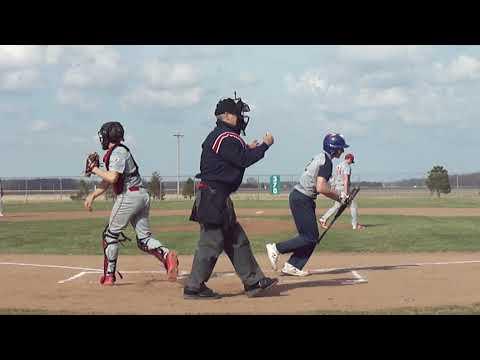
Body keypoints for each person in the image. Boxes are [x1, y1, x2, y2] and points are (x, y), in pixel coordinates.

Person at [184, 94, 278, 299]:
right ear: (226, 115)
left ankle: (253, 282)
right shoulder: (225, 137)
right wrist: (265, 145)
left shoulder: (224, 136)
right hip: (213, 196)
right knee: (211, 242)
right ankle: (194, 286)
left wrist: (249, 147)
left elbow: (236, 153)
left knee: (237, 240)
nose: (241, 117)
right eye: (237, 114)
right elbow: (243, 159)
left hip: (217, 195)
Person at [84, 121, 179, 286]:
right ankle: (167, 256)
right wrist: (93, 195)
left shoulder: (118, 152)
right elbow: (108, 181)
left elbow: (112, 178)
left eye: (103, 135)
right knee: (144, 239)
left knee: (109, 236)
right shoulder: (117, 152)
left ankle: (109, 276)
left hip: (129, 196)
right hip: (140, 195)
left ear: (108, 136)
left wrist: (94, 169)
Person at [266, 133, 350, 276]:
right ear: (333, 149)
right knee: (310, 237)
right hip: (302, 199)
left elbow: (321, 185)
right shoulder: (327, 162)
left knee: (311, 237)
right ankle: (276, 248)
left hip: (301, 197)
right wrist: (339, 197)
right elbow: (321, 187)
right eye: (340, 148)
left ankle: (292, 265)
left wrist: (338, 194)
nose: (342, 151)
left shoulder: (320, 157)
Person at [319, 153, 364, 230]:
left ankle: (323, 219)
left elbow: (333, 178)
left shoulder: (338, 165)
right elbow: (345, 180)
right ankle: (355, 225)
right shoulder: (346, 166)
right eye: (351, 161)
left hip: (337, 188)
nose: (351, 163)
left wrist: (334, 188)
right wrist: (346, 193)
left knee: (337, 205)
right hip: (343, 188)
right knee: (353, 206)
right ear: (349, 159)